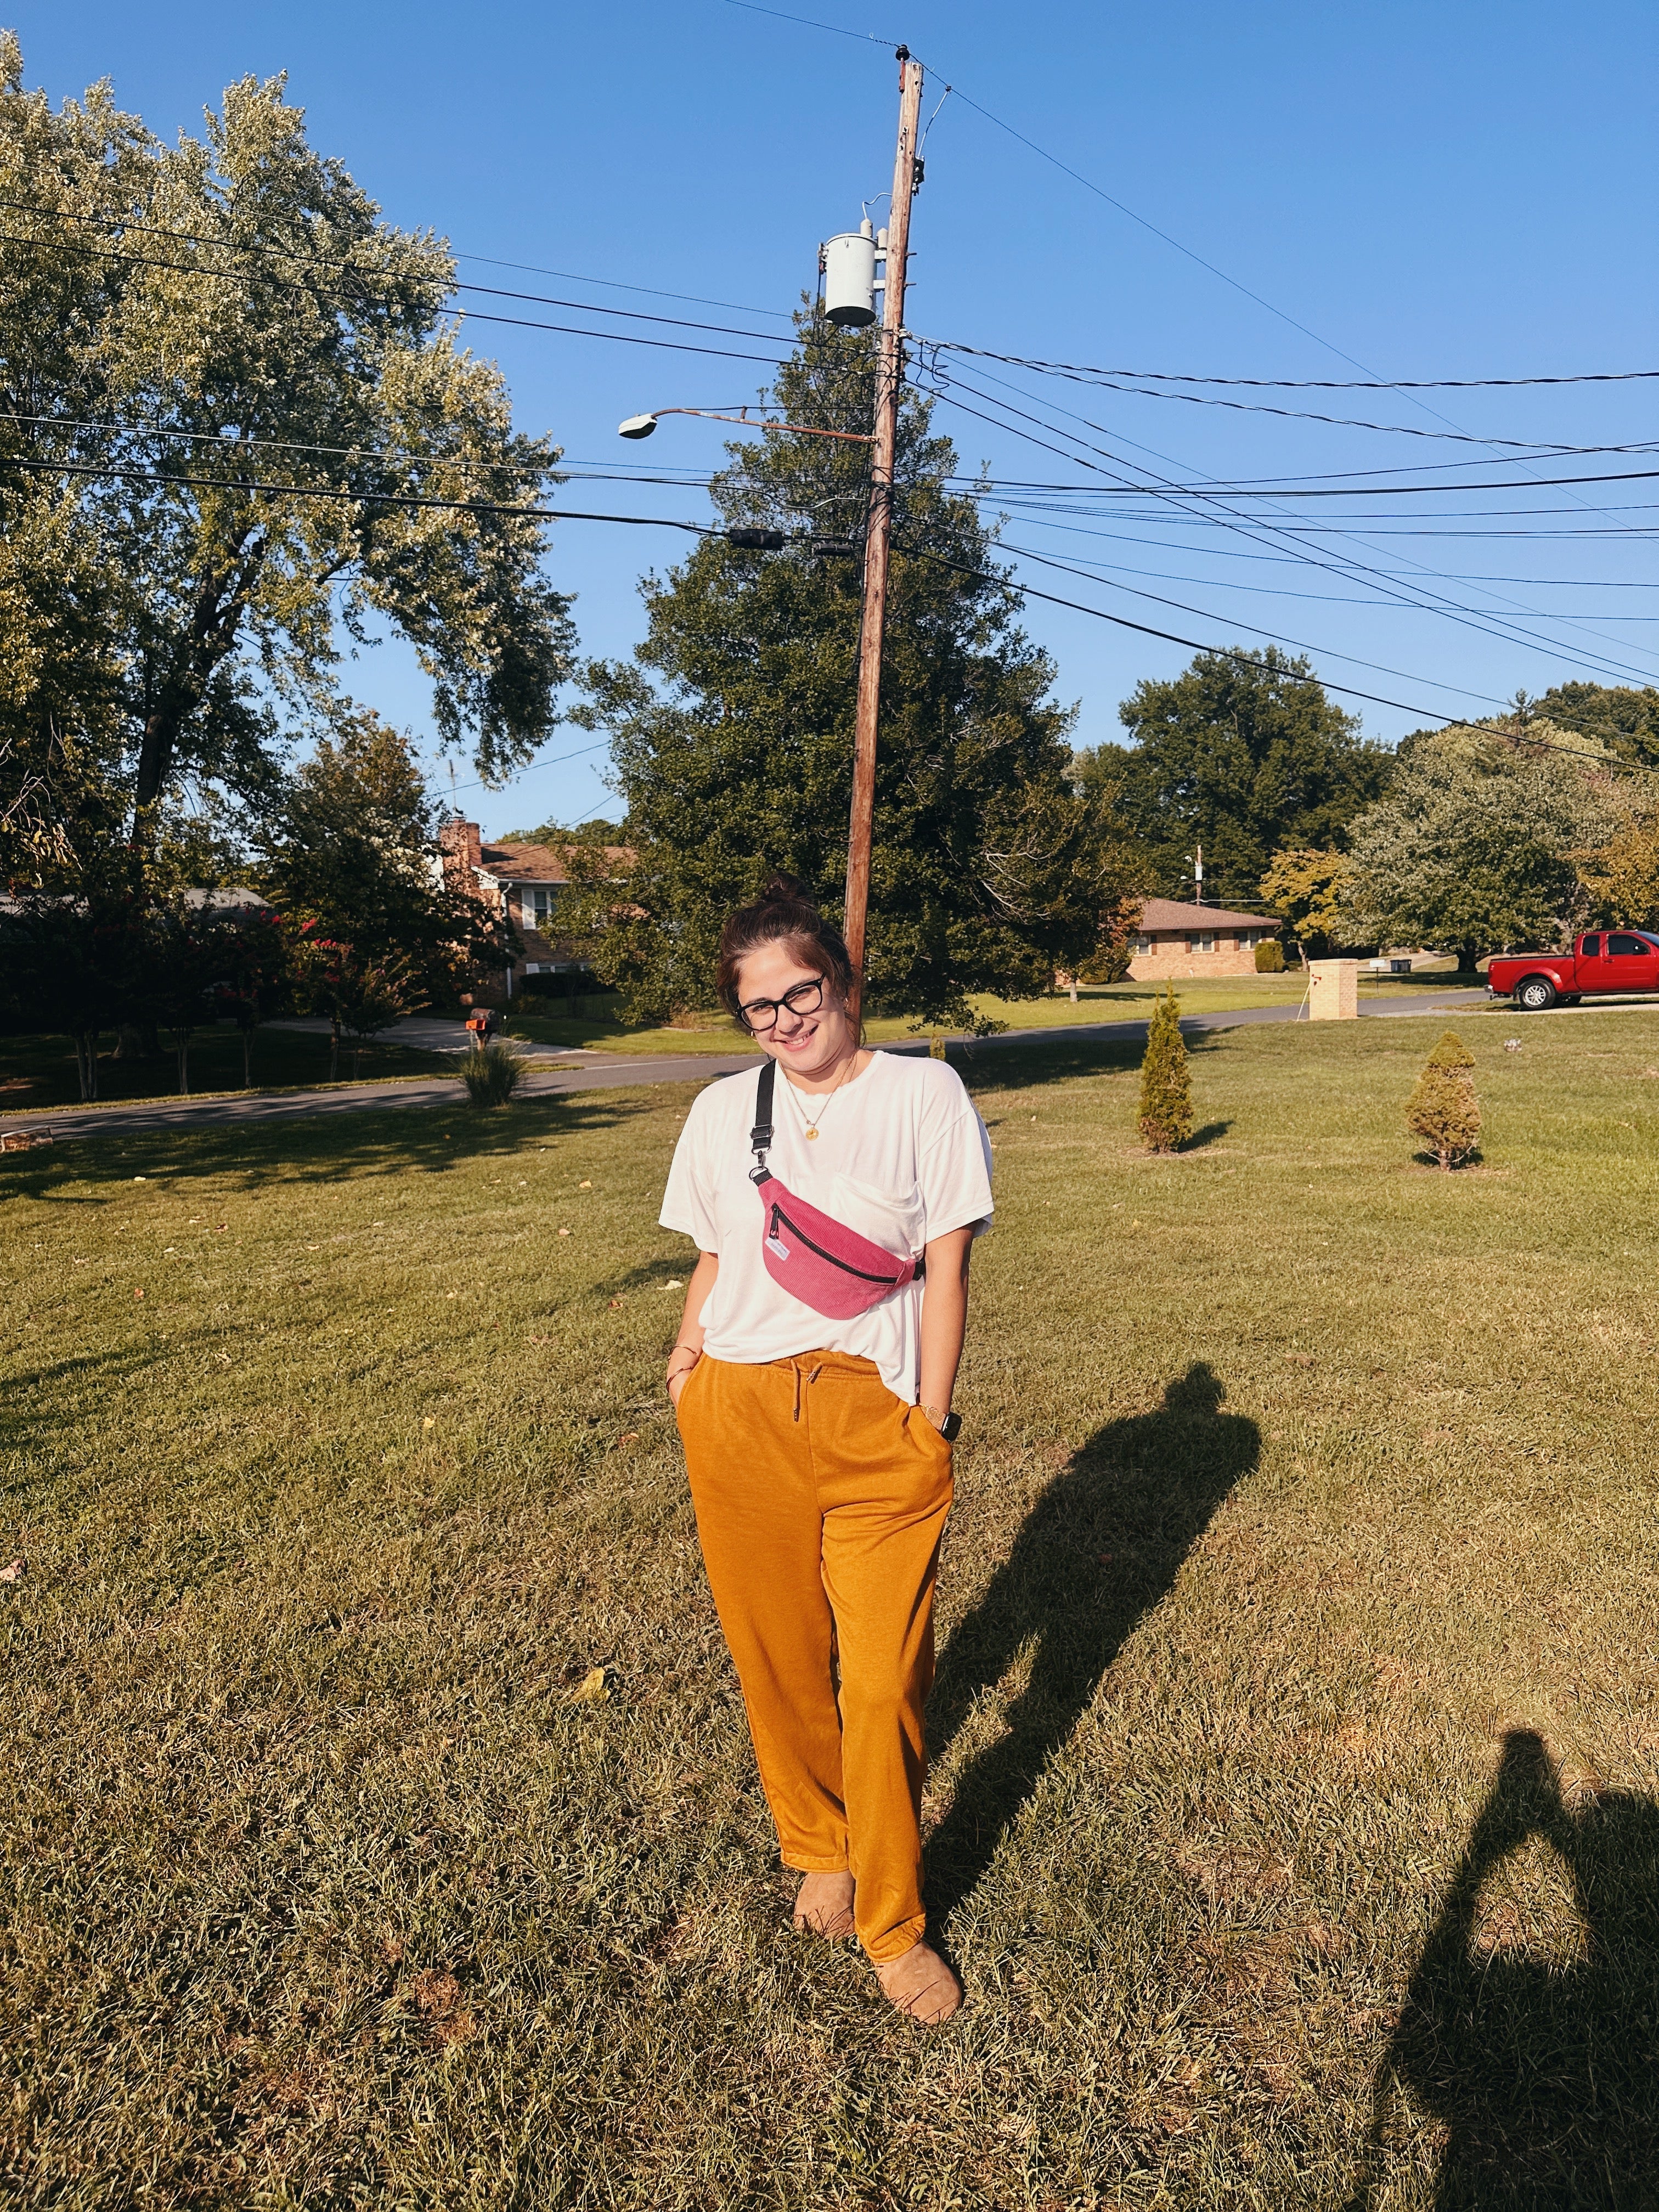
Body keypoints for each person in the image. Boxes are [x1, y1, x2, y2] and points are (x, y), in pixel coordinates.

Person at [659, 876, 993, 2024]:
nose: (787, 1021)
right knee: (778, 1658)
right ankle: (822, 1845)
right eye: (761, 1008)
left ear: (843, 983)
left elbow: (947, 1265)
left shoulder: (926, 1093)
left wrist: (931, 1418)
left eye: (802, 993)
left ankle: (896, 1923)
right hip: (738, 1410)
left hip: (875, 1420)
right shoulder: (718, 1113)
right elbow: (715, 1252)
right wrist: (684, 1359)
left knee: (888, 1679)